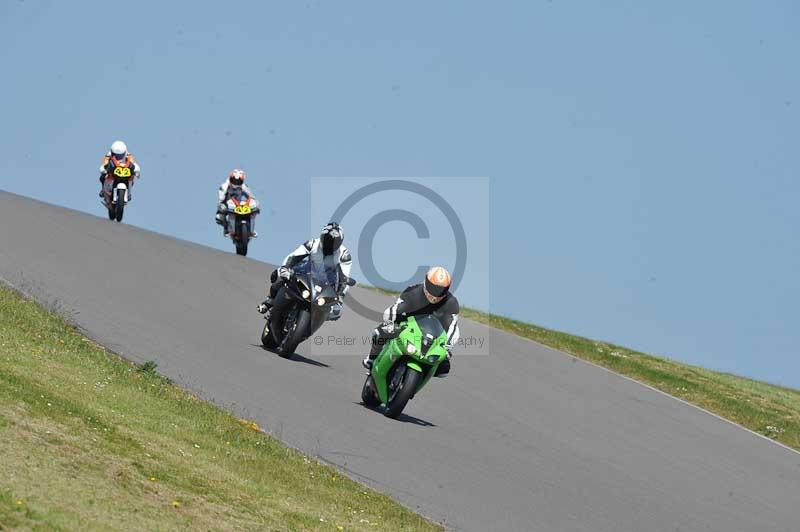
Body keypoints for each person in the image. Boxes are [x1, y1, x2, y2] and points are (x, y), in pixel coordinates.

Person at [363, 266, 459, 377]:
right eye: (433, 288)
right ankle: (371, 358)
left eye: (441, 290)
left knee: (444, 369)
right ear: (426, 282)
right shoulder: (413, 291)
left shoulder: (451, 303)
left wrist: (446, 349)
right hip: (406, 325)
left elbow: (452, 327)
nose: (436, 293)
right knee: (379, 333)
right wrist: (389, 323)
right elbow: (395, 309)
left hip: (431, 334)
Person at [257, 222, 352, 321]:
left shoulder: (344, 255)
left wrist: (339, 298)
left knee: (336, 311)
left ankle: (314, 322)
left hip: (327, 284)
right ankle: (270, 301)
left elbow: (345, 278)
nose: (329, 244)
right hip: (306, 272)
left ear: (340, 242)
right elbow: (293, 256)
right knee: (278, 274)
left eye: (334, 242)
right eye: (327, 240)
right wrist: (285, 268)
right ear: (322, 237)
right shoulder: (312, 244)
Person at [215, 169, 257, 237]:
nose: (236, 183)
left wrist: (256, 204)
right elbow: (221, 198)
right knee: (219, 217)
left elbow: (251, 196)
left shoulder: (244, 186)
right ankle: (226, 228)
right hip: (227, 204)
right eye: (234, 180)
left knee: (253, 209)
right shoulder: (224, 186)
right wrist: (221, 203)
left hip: (238, 204)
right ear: (230, 178)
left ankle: (251, 229)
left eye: (238, 181)